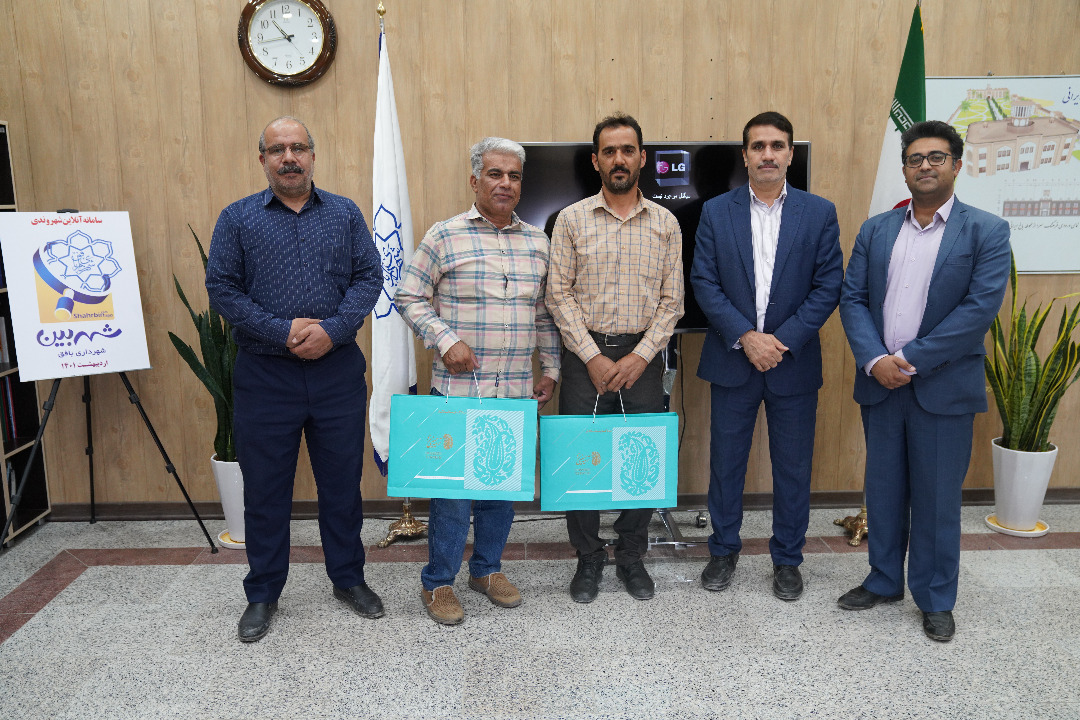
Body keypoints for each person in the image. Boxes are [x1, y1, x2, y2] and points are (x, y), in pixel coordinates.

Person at [206, 116, 385, 642]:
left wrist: (332, 330)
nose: (289, 157)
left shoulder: (345, 213)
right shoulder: (237, 218)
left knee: (341, 487)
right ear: (262, 159)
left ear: (312, 155)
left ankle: (348, 579)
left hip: (336, 372)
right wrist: (282, 331)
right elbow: (222, 287)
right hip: (265, 376)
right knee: (265, 491)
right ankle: (263, 592)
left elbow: (369, 277)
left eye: (298, 147)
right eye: (277, 149)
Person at [838, 120, 1011, 641]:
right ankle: (884, 579)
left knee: (937, 501)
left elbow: (977, 311)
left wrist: (907, 359)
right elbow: (853, 299)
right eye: (915, 158)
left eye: (936, 157)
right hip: (881, 384)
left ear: (956, 165)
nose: (925, 166)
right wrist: (875, 359)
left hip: (943, 387)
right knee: (883, 491)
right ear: (905, 169)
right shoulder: (876, 229)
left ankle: (935, 598)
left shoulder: (986, 230)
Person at [395, 137, 560, 625]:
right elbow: (408, 296)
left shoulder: (538, 242)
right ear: (475, 180)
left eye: (514, 176)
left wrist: (551, 369)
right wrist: (445, 339)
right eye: (494, 174)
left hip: (514, 393)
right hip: (457, 394)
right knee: (453, 499)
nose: (505, 183)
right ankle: (438, 582)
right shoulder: (444, 236)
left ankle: (486, 571)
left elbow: (544, 315)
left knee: (500, 495)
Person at [689, 111, 843, 601]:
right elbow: (703, 282)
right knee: (726, 464)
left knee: (793, 469)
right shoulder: (716, 211)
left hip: (792, 363)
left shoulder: (819, 212)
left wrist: (780, 341)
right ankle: (722, 551)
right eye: (758, 146)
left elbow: (828, 286)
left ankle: (788, 559)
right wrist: (746, 337)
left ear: (791, 154)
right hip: (733, 360)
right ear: (745, 155)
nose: (768, 154)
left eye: (777, 146)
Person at [546, 112, 684, 603]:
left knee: (641, 459)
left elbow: (673, 301)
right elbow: (558, 294)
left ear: (642, 158)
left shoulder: (666, 223)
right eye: (609, 151)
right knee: (579, 460)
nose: (619, 159)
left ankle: (630, 555)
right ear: (596, 161)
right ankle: (588, 557)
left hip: (642, 358)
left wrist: (641, 356)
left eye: (628, 150)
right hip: (584, 356)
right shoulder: (571, 219)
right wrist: (592, 356)